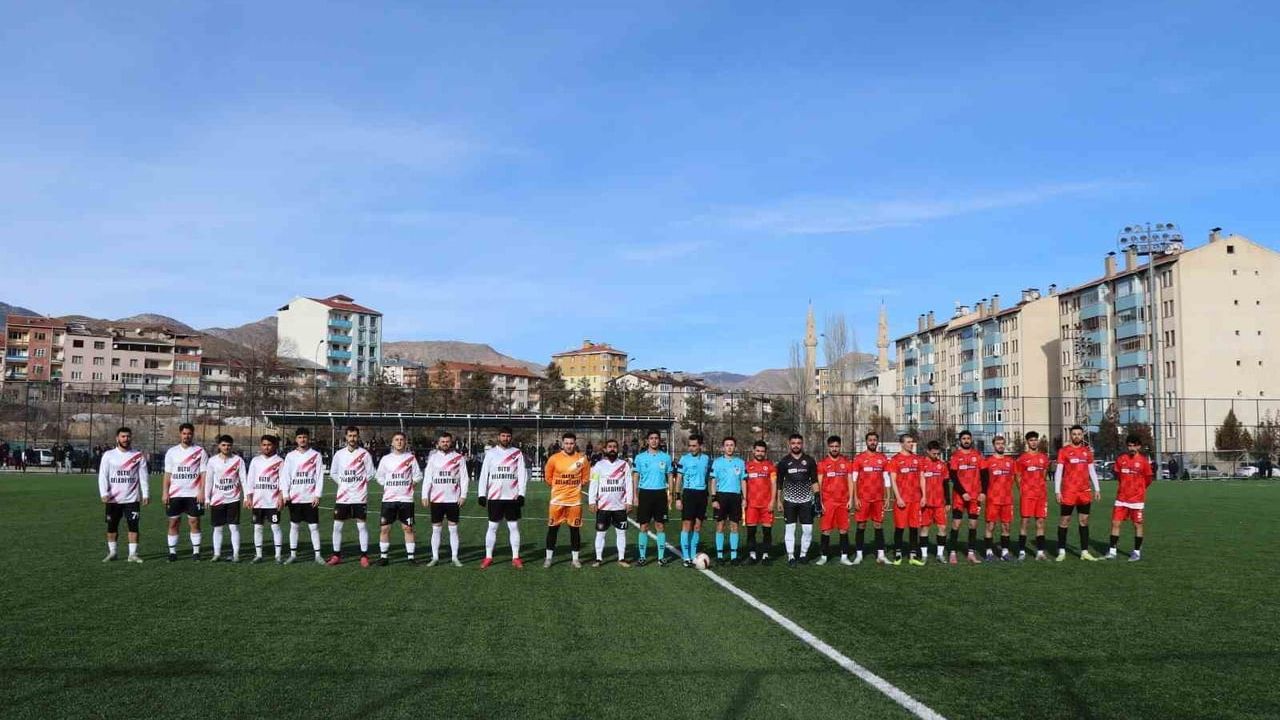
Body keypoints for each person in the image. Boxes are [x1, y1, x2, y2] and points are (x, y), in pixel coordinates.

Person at [477, 427, 529, 569]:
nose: (505, 438)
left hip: (512, 497)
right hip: (495, 497)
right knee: (492, 526)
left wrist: (521, 494)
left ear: (511, 437)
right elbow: (484, 474)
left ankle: (516, 557)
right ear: (498, 437)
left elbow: (522, 475)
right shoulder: (491, 453)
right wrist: (482, 494)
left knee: (513, 526)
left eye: (508, 436)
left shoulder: (517, 453)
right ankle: (488, 557)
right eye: (503, 435)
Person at [98, 427, 148, 563]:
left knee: (133, 526)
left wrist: (146, 494)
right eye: (123, 437)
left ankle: (132, 554)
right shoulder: (108, 455)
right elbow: (103, 475)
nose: (126, 439)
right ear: (117, 438)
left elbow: (143, 477)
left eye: (128, 436)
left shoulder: (138, 455)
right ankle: (112, 552)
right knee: (111, 526)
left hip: (132, 498)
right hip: (113, 499)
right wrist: (104, 493)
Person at [328, 426, 375, 567]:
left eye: (355, 436)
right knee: (337, 526)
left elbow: (371, 472)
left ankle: (364, 556)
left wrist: (360, 483)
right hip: (343, 496)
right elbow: (333, 473)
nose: (352, 438)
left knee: (361, 526)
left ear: (358, 437)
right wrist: (342, 483)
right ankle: (336, 555)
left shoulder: (364, 454)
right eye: (350, 436)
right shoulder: (339, 454)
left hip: (359, 496)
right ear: (346, 437)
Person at [1055, 424, 1101, 561]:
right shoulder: (1064, 451)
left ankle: (1084, 552)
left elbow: (1092, 470)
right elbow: (1058, 472)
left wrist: (1097, 488)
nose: (1076, 436)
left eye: (1079, 434)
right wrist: (1057, 491)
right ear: (1071, 436)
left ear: (1083, 436)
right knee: (1065, 520)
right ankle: (1062, 551)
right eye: (1074, 434)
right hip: (1069, 491)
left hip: (1084, 491)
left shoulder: (1087, 452)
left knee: (1084, 521)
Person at [162, 423, 208, 561]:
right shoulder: (172, 452)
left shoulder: (200, 451)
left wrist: (202, 491)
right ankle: (172, 552)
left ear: (192, 435)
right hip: (175, 493)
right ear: (180, 434)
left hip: (193, 494)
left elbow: (204, 473)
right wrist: (165, 492)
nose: (186, 436)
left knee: (194, 522)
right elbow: (167, 474)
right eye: (184, 433)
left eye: (189, 434)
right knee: (173, 523)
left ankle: (196, 552)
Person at [376, 431, 423, 566]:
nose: (399, 442)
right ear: (392, 442)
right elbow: (379, 476)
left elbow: (418, 475)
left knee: (408, 529)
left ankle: (410, 558)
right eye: (396, 439)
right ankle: (384, 557)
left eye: (402, 439)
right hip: (388, 500)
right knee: (385, 529)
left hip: (406, 499)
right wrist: (386, 484)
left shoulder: (411, 458)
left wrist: (412, 484)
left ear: (405, 442)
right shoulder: (386, 459)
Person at [423, 431, 469, 567]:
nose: (445, 444)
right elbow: (427, 478)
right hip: (436, 499)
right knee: (436, 529)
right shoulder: (433, 458)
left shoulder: (458, 458)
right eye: (442, 441)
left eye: (447, 441)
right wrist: (425, 495)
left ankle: (455, 557)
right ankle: (435, 557)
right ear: (438, 443)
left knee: (453, 529)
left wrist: (463, 495)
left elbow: (464, 478)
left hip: (453, 499)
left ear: (451, 442)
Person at [544, 432, 590, 568]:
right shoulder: (554, 458)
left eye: (571, 443)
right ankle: (548, 558)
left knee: (575, 530)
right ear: (562, 444)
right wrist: (559, 487)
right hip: (557, 501)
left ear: (575, 444)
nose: (569, 446)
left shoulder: (582, 459)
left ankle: (575, 559)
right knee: (552, 529)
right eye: (566, 443)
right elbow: (548, 477)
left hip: (574, 501)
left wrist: (575, 486)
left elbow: (586, 477)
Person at [1107, 435, 1154, 561]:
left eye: (1134, 445)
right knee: (1115, 523)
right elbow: (1117, 474)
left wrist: (1139, 490)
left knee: (1137, 525)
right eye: (1129, 445)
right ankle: (1112, 551)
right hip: (1121, 498)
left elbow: (1148, 479)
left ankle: (1136, 552)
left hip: (1136, 500)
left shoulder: (1144, 461)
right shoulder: (1121, 459)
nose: (1132, 448)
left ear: (1139, 446)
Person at [281, 427, 325, 565]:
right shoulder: (290, 456)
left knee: (314, 527)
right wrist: (285, 494)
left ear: (308, 439)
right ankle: (293, 555)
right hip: (295, 498)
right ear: (296, 439)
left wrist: (317, 495)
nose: (302, 439)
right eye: (300, 437)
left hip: (310, 498)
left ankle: (318, 555)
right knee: (294, 526)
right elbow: (285, 476)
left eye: (305, 437)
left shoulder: (316, 455)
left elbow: (319, 476)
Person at [775, 433, 819, 567]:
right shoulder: (784, 461)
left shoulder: (810, 461)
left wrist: (817, 498)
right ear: (789, 444)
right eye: (793, 443)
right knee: (790, 529)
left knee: (808, 529)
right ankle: (791, 556)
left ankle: (803, 554)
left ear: (802, 444)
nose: (796, 445)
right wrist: (778, 500)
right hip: (789, 501)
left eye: (798, 443)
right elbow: (779, 483)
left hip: (806, 501)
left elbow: (815, 481)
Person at [631, 429, 673, 567]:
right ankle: (642, 557)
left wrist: (670, 494)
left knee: (660, 525)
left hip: (660, 494)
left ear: (659, 440)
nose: (654, 440)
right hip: (645, 494)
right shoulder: (640, 457)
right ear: (647, 441)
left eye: (656, 438)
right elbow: (635, 476)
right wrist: (635, 495)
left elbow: (670, 477)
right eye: (651, 438)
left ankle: (661, 557)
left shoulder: (666, 457)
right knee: (644, 526)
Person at [588, 438, 633, 567]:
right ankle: (598, 558)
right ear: (605, 450)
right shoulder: (598, 466)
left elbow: (629, 484)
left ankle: (622, 558)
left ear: (617, 449)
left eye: (614, 446)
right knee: (601, 533)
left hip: (620, 506)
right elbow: (594, 484)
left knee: (621, 532)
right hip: (603, 506)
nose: (612, 449)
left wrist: (629, 501)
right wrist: (592, 502)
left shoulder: (624, 465)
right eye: (610, 447)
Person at [851, 431, 891, 564]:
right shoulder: (859, 458)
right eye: (870, 440)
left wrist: (887, 497)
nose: (872, 442)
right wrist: (855, 498)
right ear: (866, 442)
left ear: (877, 442)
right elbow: (854, 479)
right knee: (861, 525)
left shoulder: (883, 458)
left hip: (878, 498)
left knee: (878, 525)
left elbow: (886, 478)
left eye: (875, 440)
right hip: (863, 498)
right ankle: (859, 555)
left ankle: (880, 555)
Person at [947, 430, 986, 565]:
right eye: (964, 438)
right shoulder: (955, 456)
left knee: (973, 524)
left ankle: (971, 553)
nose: (966, 440)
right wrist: (963, 492)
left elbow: (985, 474)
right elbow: (953, 476)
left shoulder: (978, 455)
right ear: (960, 441)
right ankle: (952, 553)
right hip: (959, 495)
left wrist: (983, 492)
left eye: (968, 438)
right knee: (956, 524)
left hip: (975, 495)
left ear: (971, 440)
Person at [245, 435, 286, 564]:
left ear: (274, 446)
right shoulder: (255, 461)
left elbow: (283, 482)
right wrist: (248, 497)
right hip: (258, 501)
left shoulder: (280, 461)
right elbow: (250, 480)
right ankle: (258, 555)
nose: (266, 447)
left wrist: (281, 497)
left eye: (269, 444)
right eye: (264, 444)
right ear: (260, 446)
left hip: (272, 501)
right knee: (258, 527)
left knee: (275, 527)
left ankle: (278, 555)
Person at [205, 434, 246, 562]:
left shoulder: (238, 460)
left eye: (228, 445)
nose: (226, 447)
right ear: (219, 446)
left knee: (234, 527)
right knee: (217, 528)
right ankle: (217, 554)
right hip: (217, 499)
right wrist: (207, 498)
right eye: (223, 445)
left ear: (232, 446)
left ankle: (236, 554)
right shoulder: (212, 461)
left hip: (233, 499)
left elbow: (244, 479)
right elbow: (209, 480)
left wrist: (246, 497)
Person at [887, 433, 925, 566]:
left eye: (912, 442)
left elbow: (921, 478)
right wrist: (898, 498)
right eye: (908, 442)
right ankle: (898, 554)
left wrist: (924, 495)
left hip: (915, 499)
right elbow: (893, 480)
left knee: (914, 528)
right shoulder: (895, 460)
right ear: (902, 444)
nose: (911, 444)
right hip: (902, 500)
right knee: (900, 527)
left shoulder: (917, 459)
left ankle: (913, 555)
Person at [815, 435, 854, 566]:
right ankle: (824, 556)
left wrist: (851, 499)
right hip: (828, 502)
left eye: (836, 446)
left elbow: (850, 481)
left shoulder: (846, 462)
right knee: (826, 530)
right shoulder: (822, 464)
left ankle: (844, 556)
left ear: (840, 446)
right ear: (828, 447)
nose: (834, 448)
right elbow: (818, 484)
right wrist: (819, 501)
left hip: (843, 501)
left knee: (843, 530)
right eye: (832, 446)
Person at [674, 433, 712, 567]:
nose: (691, 448)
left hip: (702, 495)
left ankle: (693, 554)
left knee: (697, 526)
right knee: (687, 526)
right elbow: (678, 479)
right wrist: (678, 497)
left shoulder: (707, 459)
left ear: (700, 446)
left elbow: (711, 478)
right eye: (690, 446)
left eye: (694, 446)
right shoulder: (684, 459)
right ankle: (686, 557)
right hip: (689, 494)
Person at [709, 436, 746, 564]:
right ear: (723, 447)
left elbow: (743, 481)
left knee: (734, 525)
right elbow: (713, 481)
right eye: (727, 445)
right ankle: (719, 556)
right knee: (720, 525)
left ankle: (734, 556)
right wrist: (714, 498)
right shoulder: (717, 462)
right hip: (721, 496)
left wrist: (744, 498)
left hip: (735, 497)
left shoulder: (740, 462)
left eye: (731, 445)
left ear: (735, 447)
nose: (729, 447)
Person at [1015, 431, 1051, 560]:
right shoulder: (1022, 459)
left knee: (1040, 522)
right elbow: (1018, 476)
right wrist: (1023, 490)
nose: (1034, 442)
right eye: (1031, 440)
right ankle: (1022, 552)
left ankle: (1040, 552)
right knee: (1025, 522)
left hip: (1041, 495)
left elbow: (1044, 475)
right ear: (1027, 442)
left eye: (1035, 440)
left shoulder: (1044, 458)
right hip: (1027, 495)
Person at [983, 434, 1017, 562]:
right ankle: (989, 551)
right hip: (993, 499)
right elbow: (984, 480)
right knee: (990, 526)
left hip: (1007, 500)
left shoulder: (1010, 462)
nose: (1001, 445)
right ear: (994, 445)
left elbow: (1014, 478)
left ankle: (1005, 552)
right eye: (998, 443)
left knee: (1006, 527)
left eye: (1002, 443)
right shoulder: (988, 462)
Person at [743, 440, 776, 564]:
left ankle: (766, 556)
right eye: (758, 451)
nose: (760, 453)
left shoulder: (770, 466)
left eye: (762, 451)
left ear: (765, 452)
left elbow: (773, 484)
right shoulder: (747, 466)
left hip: (766, 504)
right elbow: (743, 484)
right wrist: (744, 499)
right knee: (751, 532)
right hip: (751, 505)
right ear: (753, 451)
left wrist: (772, 501)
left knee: (767, 531)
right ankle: (752, 555)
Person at [919, 440, 950, 563]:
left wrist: (948, 502)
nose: (936, 456)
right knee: (924, 528)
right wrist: (922, 497)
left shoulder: (942, 465)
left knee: (942, 528)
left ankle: (940, 554)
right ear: (928, 451)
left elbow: (946, 483)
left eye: (938, 454)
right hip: (926, 503)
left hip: (939, 503)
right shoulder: (921, 464)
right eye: (934, 454)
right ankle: (924, 555)